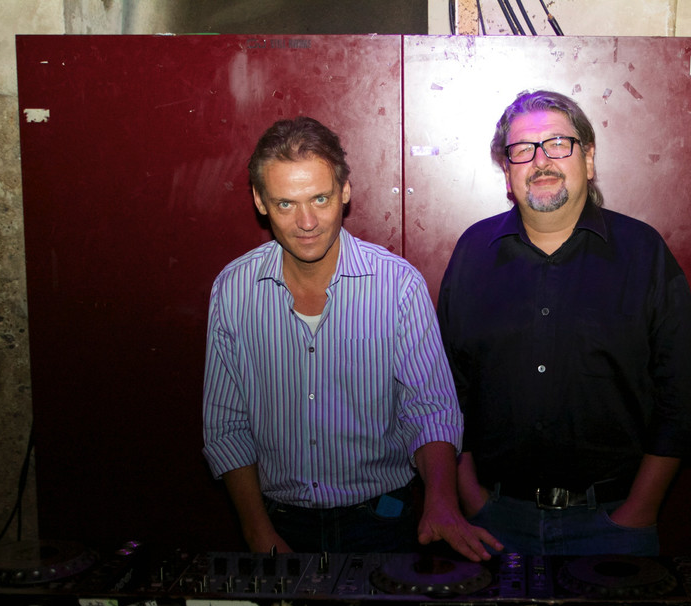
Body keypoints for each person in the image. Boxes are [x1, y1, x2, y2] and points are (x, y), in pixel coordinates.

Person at [203, 116, 499, 560]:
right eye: (285, 204)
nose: (306, 222)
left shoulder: (398, 285)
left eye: (320, 198)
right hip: (276, 522)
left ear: (345, 191)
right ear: (260, 202)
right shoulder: (233, 289)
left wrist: (441, 501)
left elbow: (432, 410)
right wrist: (257, 533)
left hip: (383, 521)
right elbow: (226, 426)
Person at [437, 90, 691, 556]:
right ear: (507, 170)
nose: (540, 160)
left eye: (558, 144)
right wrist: (470, 496)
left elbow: (684, 397)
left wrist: (639, 510)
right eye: (523, 149)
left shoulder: (643, 252)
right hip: (495, 523)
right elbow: (446, 388)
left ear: (588, 158)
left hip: (613, 524)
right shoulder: (473, 253)